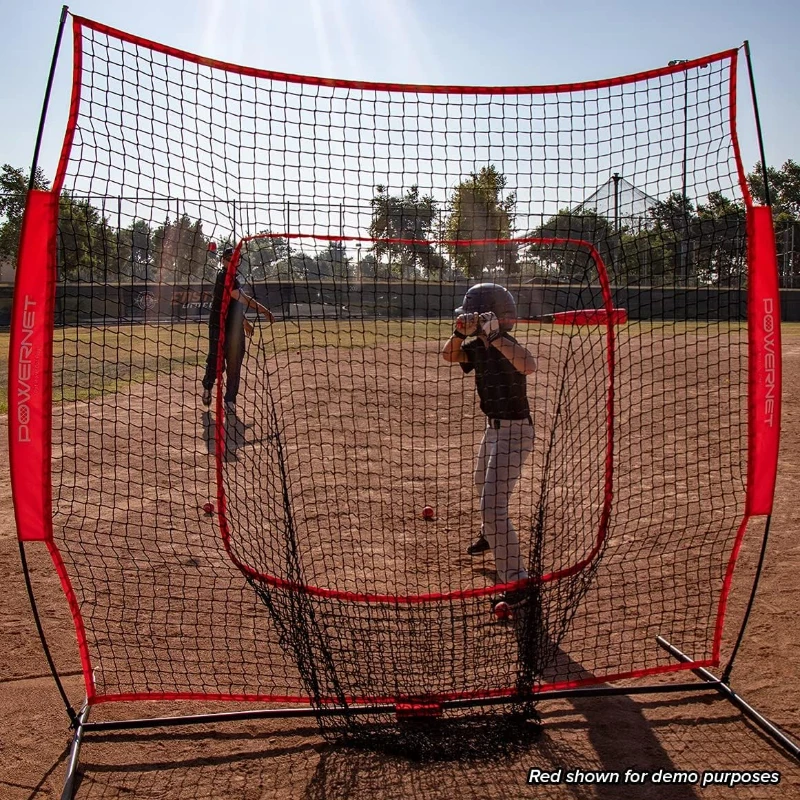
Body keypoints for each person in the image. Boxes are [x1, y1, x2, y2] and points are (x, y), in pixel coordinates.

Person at [442, 283, 537, 611]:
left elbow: (528, 365)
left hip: (516, 432)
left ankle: (517, 580)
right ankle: (489, 535)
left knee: (493, 505)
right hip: (493, 429)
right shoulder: (476, 346)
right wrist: (458, 333)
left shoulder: (505, 343)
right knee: (481, 482)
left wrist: (495, 336)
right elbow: (449, 355)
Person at [201, 246, 274, 414]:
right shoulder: (223, 278)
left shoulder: (235, 279)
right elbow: (244, 299)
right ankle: (207, 387)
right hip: (218, 328)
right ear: (223, 261)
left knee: (234, 365)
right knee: (215, 362)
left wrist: (244, 322)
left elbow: (234, 306)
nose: (232, 262)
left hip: (234, 330)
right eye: (228, 259)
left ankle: (230, 400)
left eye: (235, 259)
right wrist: (264, 311)